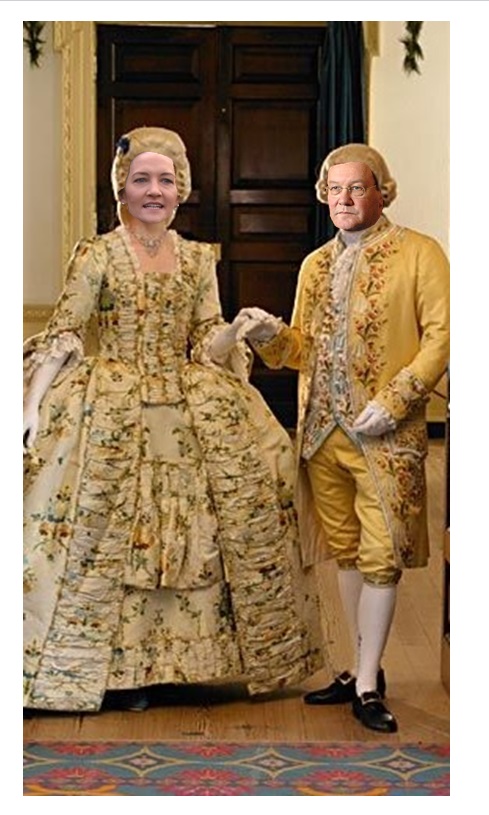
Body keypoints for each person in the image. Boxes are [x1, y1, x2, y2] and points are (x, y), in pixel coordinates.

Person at [23, 126, 325, 714]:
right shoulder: (97, 255)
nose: (154, 191)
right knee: (105, 526)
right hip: (112, 405)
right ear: (122, 188)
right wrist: (31, 404)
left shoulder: (196, 258)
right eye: (141, 180)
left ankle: (180, 665)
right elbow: (65, 333)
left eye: (165, 180)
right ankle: (113, 671)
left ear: (180, 188)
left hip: (188, 405)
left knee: (209, 522)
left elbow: (204, 338)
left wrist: (236, 332)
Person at [226, 143, 450, 733]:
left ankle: (369, 683)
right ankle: (357, 669)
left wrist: (396, 400)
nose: (344, 199)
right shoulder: (315, 265)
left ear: (382, 192)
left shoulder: (421, 253)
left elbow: (443, 337)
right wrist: (270, 335)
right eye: (334, 189)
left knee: (381, 555)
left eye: (356, 188)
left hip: (385, 433)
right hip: (322, 432)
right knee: (347, 551)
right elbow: (302, 349)